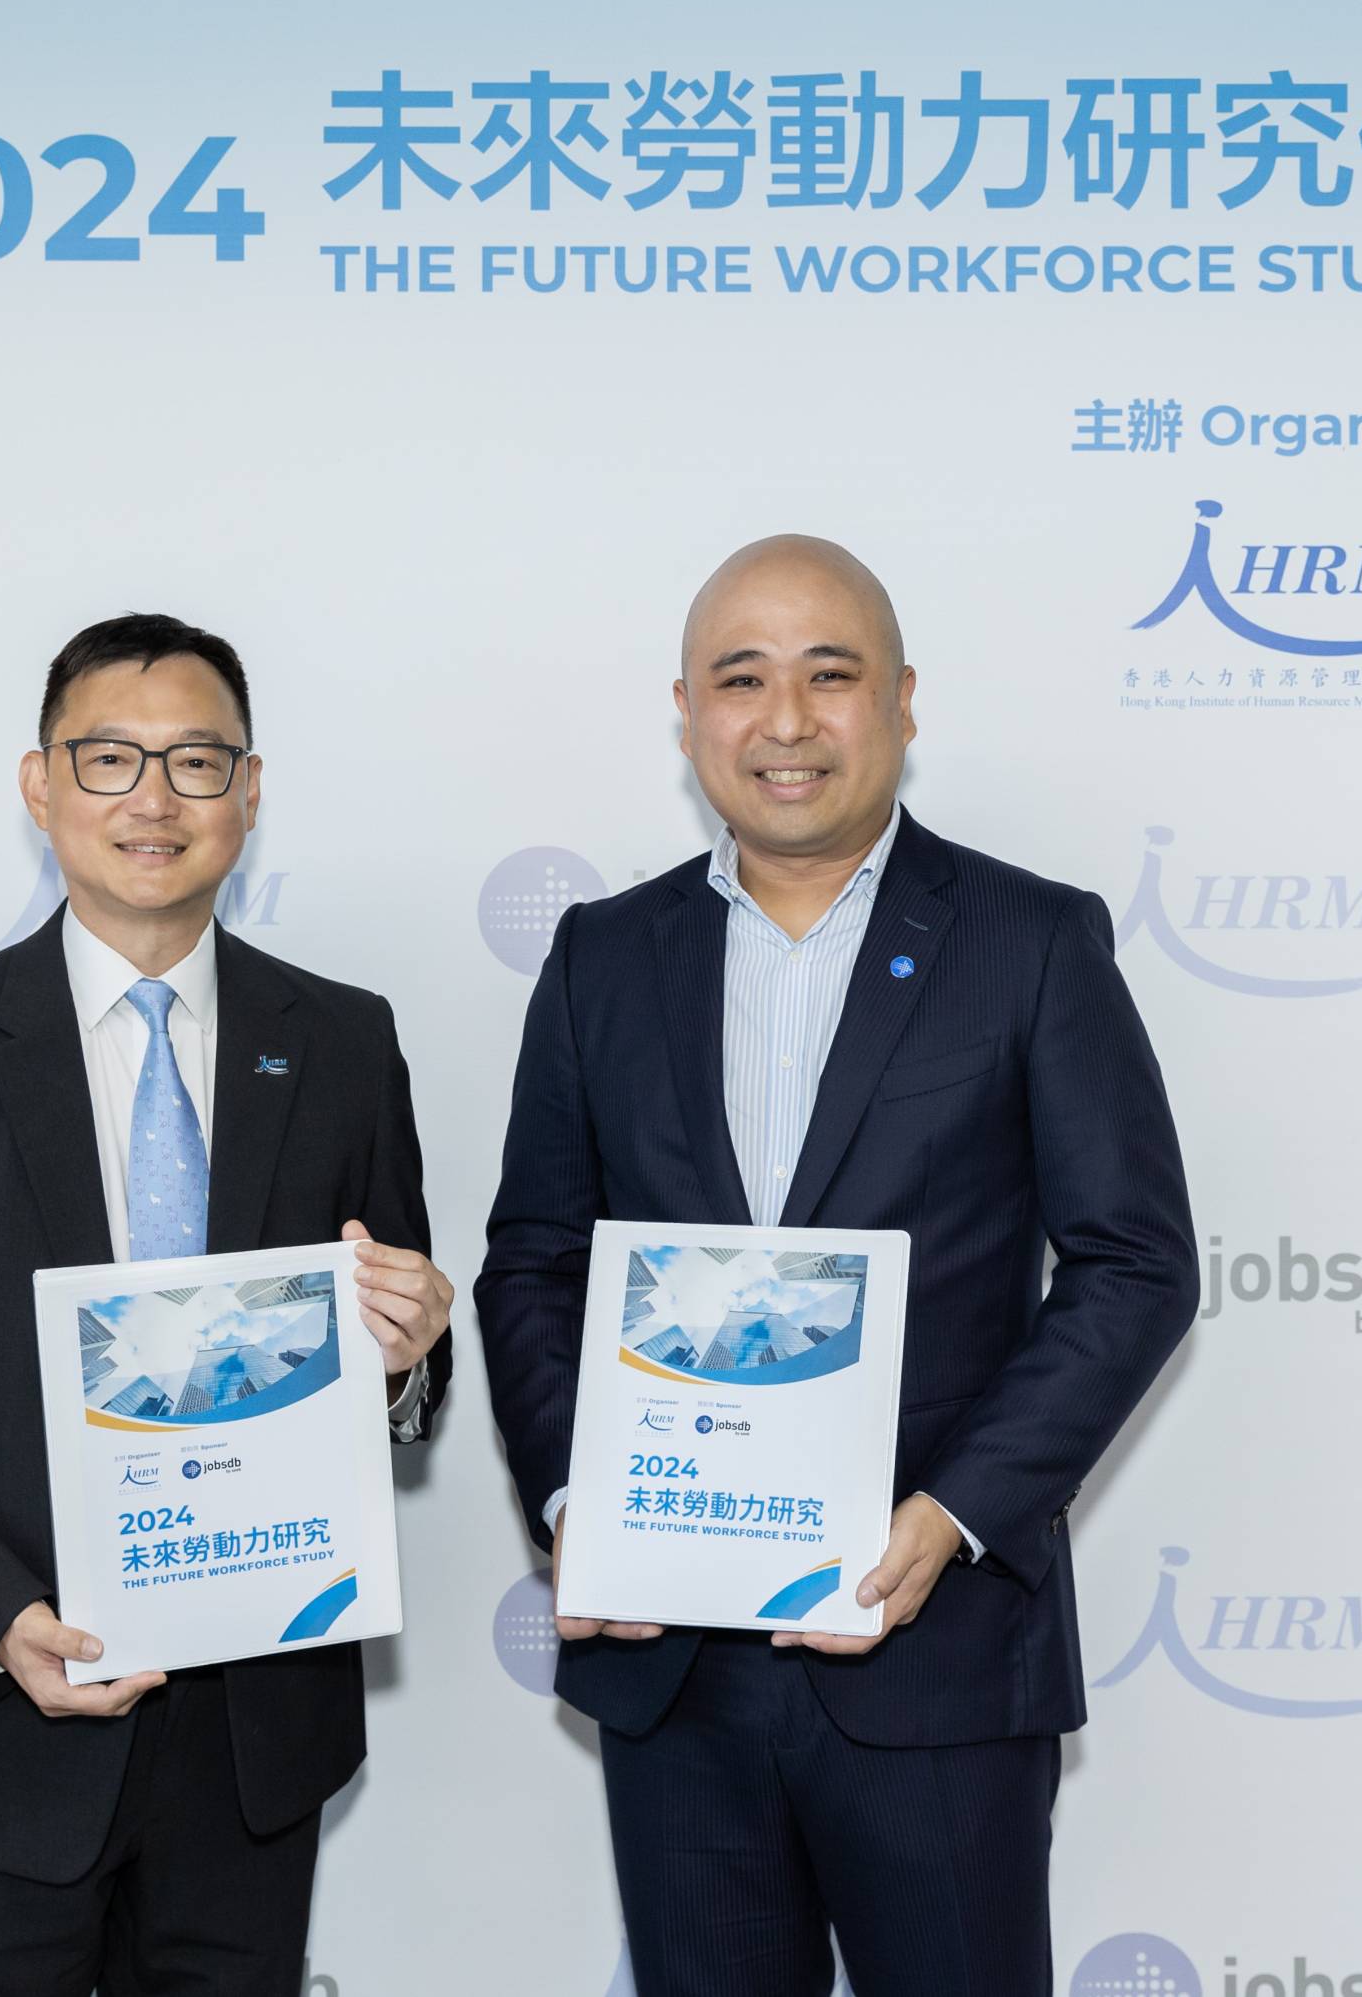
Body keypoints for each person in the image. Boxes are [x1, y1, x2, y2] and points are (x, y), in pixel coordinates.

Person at [477, 536, 1199, 1996]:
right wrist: (575, 1501)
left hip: (934, 1653)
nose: (787, 721)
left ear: (904, 700)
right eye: (743, 679)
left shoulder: (1031, 940)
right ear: (687, 712)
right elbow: (534, 1262)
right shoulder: (603, 957)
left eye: (831, 675)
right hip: (675, 1662)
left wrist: (955, 1513)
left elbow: (1136, 1262)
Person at [0, 614, 457, 1996]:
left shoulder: (342, 1040)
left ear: (249, 793)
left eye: (197, 761)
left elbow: (395, 1366)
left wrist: (407, 1353)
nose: (155, 798)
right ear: (41, 784)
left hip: (251, 1746)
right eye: (110, 758)